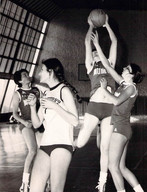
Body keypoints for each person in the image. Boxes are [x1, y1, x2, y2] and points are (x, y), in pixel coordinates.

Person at [91, 31, 145, 192]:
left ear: (132, 75)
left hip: (120, 129)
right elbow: (107, 65)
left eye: (127, 69)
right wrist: (97, 46)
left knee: (112, 166)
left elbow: (116, 101)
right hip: (122, 128)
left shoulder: (131, 88)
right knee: (121, 167)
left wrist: (103, 90)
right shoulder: (123, 84)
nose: (123, 68)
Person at [76, 13, 117, 191]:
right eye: (93, 52)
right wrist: (90, 25)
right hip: (94, 107)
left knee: (105, 148)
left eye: (96, 51)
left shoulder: (110, 65)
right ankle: (62, 149)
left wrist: (107, 25)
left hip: (109, 109)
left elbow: (114, 43)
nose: (94, 53)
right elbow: (87, 43)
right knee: (81, 142)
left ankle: (102, 182)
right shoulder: (91, 67)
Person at [28, 58, 78, 192]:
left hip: (62, 145)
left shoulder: (64, 91)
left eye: (42, 70)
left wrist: (55, 107)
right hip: (45, 145)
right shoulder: (46, 94)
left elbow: (75, 121)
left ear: (50, 72)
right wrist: (33, 107)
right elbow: (37, 123)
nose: (39, 74)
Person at [12, 69, 41, 192]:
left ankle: (45, 180)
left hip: (37, 123)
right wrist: (24, 122)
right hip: (26, 124)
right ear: (19, 80)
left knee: (43, 152)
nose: (27, 76)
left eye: (27, 74)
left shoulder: (36, 91)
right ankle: (25, 183)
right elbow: (14, 114)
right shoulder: (17, 93)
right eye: (24, 75)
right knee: (33, 150)